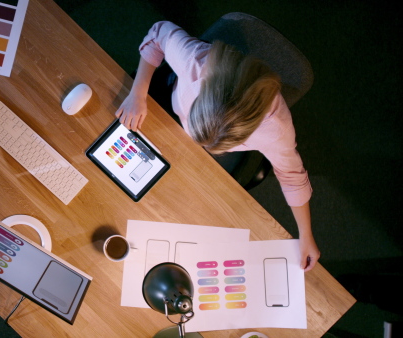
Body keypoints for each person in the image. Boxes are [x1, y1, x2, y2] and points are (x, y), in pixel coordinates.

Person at [116, 21, 320, 272]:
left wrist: (306, 234)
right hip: (164, 108)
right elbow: (159, 33)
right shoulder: (196, 62)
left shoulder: (275, 129)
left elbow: (291, 176)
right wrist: (138, 93)